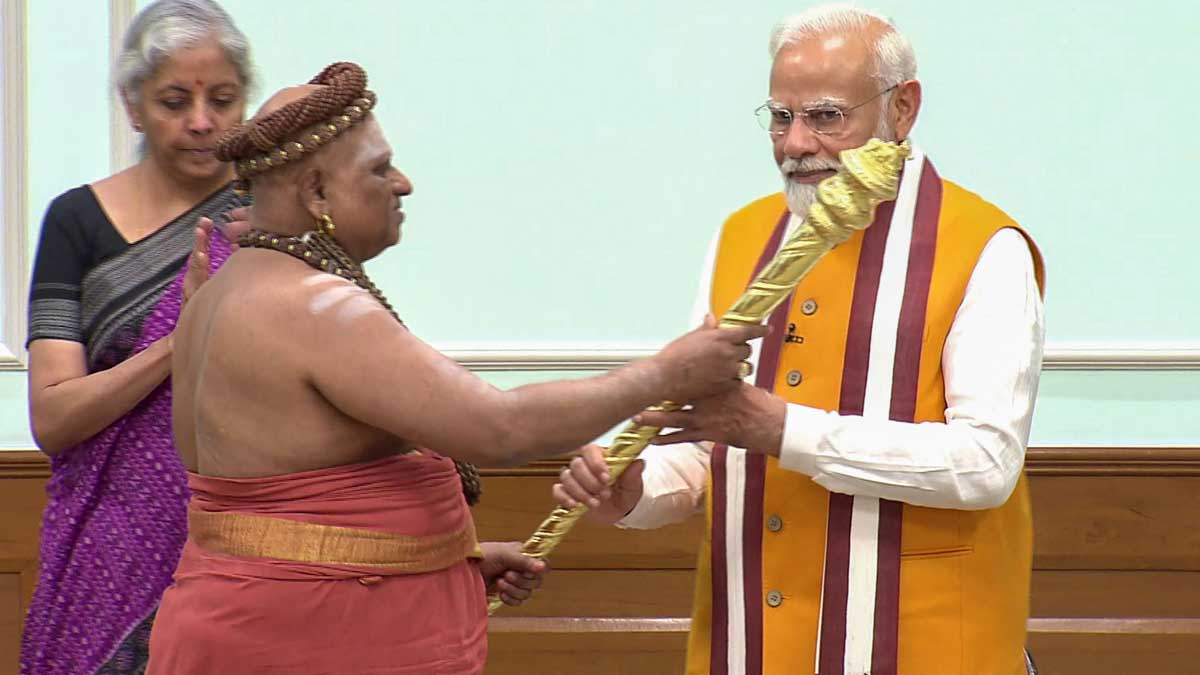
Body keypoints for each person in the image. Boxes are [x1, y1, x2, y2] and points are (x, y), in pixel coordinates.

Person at [144, 62, 765, 675]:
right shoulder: (308, 305)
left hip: (263, 619)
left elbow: (280, 516)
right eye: (379, 169)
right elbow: (501, 427)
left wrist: (440, 560)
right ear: (317, 193)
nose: (403, 184)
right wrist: (665, 374)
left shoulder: (222, 295)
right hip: (299, 636)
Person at [553, 5, 1046, 675]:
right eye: (781, 117)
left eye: (825, 116)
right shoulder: (741, 235)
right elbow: (708, 444)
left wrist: (784, 430)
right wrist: (635, 492)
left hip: (922, 646)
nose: (795, 144)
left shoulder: (987, 247)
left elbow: (985, 463)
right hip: (746, 642)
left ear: (902, 108)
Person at [21, 2, 253, 673]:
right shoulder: (77, 222)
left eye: (223, 99)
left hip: (245, 542)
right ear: (133, 106)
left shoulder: (268, 218)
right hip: (111, 543)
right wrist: (179, 342)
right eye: (175, 102)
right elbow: (53, 417)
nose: (202, 121)